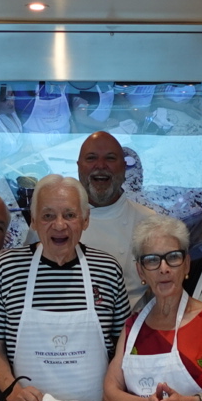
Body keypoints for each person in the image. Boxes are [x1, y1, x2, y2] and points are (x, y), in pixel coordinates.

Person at [0, 174, 131, 401]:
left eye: (70, 215)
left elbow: (124, 344)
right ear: (34, 221)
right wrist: (12, 390)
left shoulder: (107, 269)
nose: (59, 225)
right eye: (48, 216)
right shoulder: (8, 267)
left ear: (85, 220)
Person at [104, 215, 202, 401]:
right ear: (140, 270)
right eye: (152, 260)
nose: (164, 268)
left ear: (186, 265)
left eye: (173, 257)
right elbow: (109, 393)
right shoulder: (132, 327)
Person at [64, 131, 159, 308]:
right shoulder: (56, 223)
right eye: (91, 158)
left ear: (124, 168)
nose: (100, 165)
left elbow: (159, 292)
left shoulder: (148, 222)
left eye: (110, 158)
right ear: (78, 166)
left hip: (130, 329)